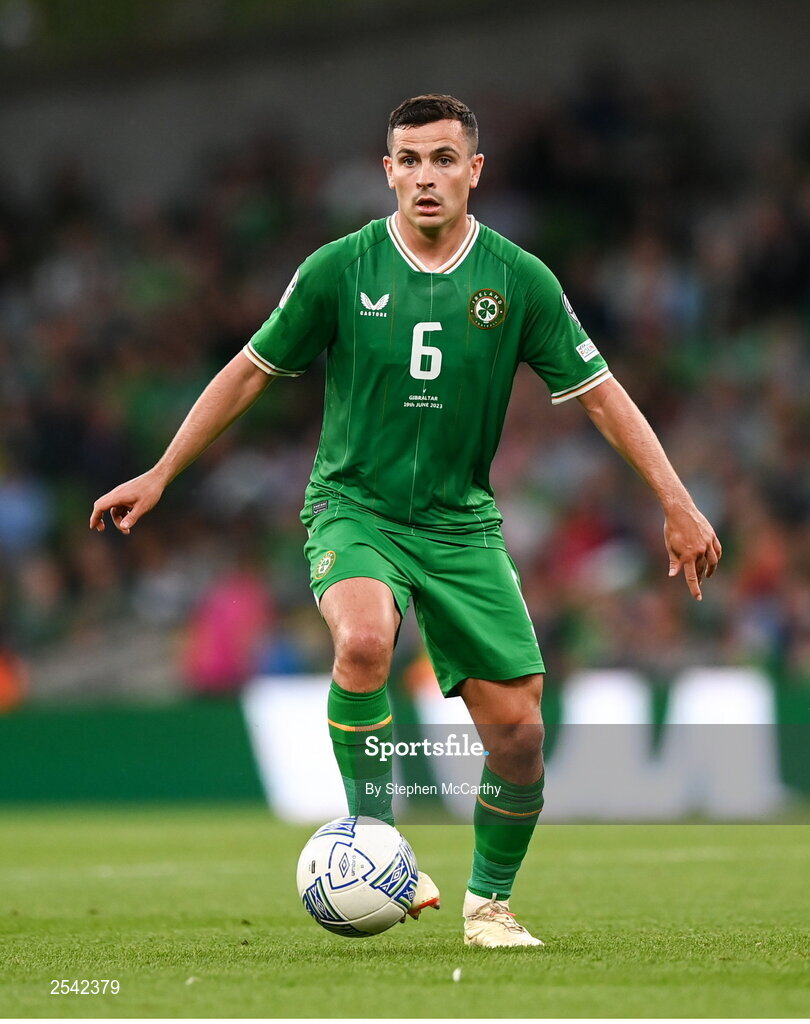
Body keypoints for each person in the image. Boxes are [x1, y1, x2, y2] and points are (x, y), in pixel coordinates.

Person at [90, 94, 722, 948]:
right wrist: (164, 471)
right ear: (387, 170)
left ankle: (488, 907)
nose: (426, 176)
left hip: (462, 526)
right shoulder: (338, 270)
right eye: (410, 160)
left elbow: (600, 396)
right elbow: (249, 371)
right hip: (355, 508)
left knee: (521, 739)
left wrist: (676, 501)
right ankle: (371, 842)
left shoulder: (519, 279)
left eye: (443, 159)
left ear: (474, 170)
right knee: (361, 642)